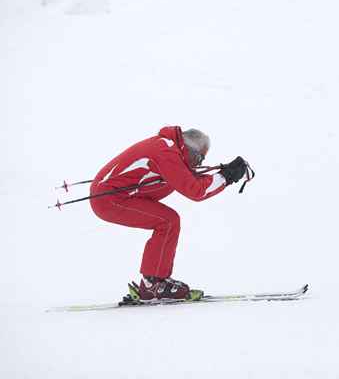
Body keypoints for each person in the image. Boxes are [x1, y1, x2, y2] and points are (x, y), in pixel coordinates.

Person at [90, 126, 248, 302]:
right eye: (200, 158)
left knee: (169, 220)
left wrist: (222, 173)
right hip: (109, 200)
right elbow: (196, 191)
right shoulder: (166, 152)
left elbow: (187, 178)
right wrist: (227, 176)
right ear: (191, 151)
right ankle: (153, 284)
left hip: (115, 195)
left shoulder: (169, 147)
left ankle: (155, 281)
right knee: (167, 222)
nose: (199, 164)